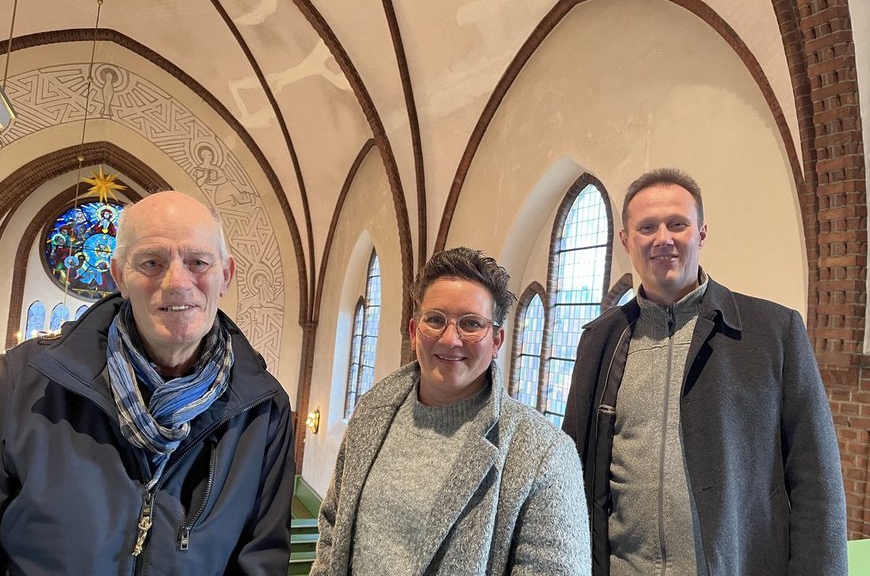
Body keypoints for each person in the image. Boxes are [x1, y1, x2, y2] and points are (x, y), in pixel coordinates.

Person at [562, 168, 848, 575]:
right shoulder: (599, 340)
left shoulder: (772, 332)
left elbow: (816, 483)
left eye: (677, 224)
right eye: (647, 227)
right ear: (626, 240)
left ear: (701, 233)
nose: (663, 238)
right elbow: (572, 471)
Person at [0, 191, 295, 574]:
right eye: (152, 262)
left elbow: (261, 564)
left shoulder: (264, 411)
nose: (176, 282)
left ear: (226, 276)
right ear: (119, 276)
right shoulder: (20, 384)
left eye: (198, 262)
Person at [312, 247, 590, 575]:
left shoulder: (544, 453)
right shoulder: (372, 413)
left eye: (471, 324)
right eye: (435, 320)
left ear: (497, 340)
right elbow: (333, 526)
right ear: (415, 331)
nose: (450, 339)